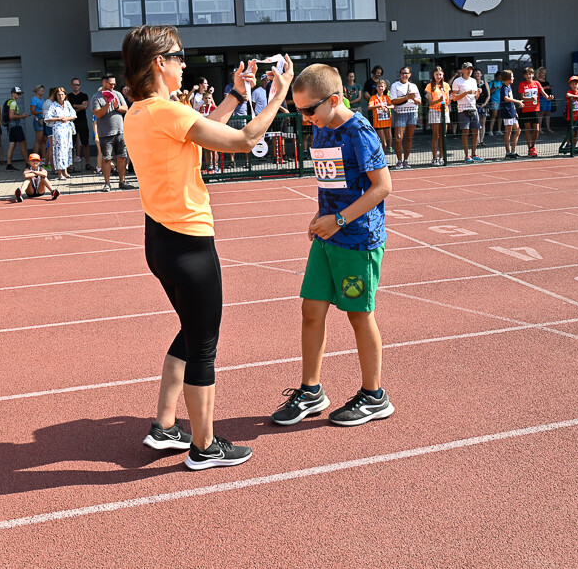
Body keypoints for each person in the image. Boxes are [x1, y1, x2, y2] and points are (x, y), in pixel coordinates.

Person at [120, 24, 293, 470]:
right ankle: (204, 446)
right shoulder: (167, 111)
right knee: (204, 345)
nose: (183, 62)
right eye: (178, 55)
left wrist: (236, 96)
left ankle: (163, 425)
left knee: (191, 331)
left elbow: (201, 134)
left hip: (159, 241)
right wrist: (278, 95)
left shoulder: (142, 113)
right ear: (159, 62)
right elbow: (243, 141)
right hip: (189, 243)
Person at [271, 63, 393, 428]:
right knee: (311, 310)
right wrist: (320, 216)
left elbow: (382, 186)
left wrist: (339, 220)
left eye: (309, 110)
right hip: (327, 239)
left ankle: (374, 396)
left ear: (334, 100)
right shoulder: (321, 130)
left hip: (357, 241)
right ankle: (311, 391)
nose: (305, 118)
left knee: (359, 315)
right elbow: (334, 183)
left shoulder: (360, 132)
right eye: (299, 111)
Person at [93, 73, 135, 192]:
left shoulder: (118, 94)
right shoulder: (96, 97)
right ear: (104, 83)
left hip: (120, 131)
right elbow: (98, 114)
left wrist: (117, 107)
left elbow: (126, 108)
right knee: (106, 159)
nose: (112, 86)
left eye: (114, 84)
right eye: (110, 83)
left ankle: (122, 181)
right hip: (105, 133)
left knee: (122, 157)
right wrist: (107, 104)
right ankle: (107, 184)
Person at [388, 66, 419, 170]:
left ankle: (406, 160)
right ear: (400, 74)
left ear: (410, 74)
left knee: (409, 138)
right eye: (402, 73)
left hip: (412, 112)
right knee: (398, 138)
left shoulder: (413, 86)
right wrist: (406, 97)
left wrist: (413, 99)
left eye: (406, 73)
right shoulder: (395, 85)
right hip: (400, 113)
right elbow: (394, 101)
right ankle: (399, 160)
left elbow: (420, 101)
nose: (404, 75)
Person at [516, 66, 551, 158]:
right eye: (527, 74)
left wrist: (548, 97)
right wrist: (530, 98)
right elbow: (522, 97)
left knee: (537, 129)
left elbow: (543, 93)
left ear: (533, 74)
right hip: (526, 109)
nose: (529, 76)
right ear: (524, 75)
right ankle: (529, 148)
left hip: (535, 108)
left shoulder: (537, 83)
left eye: (530, 74)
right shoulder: (522, 84)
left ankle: (533, 146)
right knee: (528, 128)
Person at [43, 86, 76, 181]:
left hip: (67, 129)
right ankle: (59, 173)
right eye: (58, 94)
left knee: (66, 150)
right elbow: (47, 118)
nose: (60, 96)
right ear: (56, 96)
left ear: (65, 95)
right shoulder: (53, 105)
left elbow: (73, 115)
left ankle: (65, 171)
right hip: (58, 129)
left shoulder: (67, 104)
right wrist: (59, 119)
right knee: (59, 150)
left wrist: (67, 118)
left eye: (62, 94)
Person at [450, 63, 481, 163]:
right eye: (467, 69)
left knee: (476, 131)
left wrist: (478, 93)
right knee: (465, 132)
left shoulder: (473, 81)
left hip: (473, 108)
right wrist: (466, 93)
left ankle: (474, 153)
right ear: (462, 70)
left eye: (471, 69)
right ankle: (467, 155)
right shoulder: (457, 81)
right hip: (463, 109)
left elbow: (476, 97)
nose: (469, 71)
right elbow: (454, 97)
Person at [493, 69, 523, 159]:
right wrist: (518, 101)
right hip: (507, 111)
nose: (513, 78)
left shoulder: (509, 86)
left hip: (512, 111)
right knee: (508, 131)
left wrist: (515, 110)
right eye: (512, 76)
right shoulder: (504, 87)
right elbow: (506, 98)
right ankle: (508, 152)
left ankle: (513, 151)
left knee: (517, 130)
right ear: (507, 78)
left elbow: (510, 98)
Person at [67, 78, 94, 173]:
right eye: (74, 84)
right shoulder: (67, 96)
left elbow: (85, 106)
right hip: (71, 123)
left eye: (77, 84)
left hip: (82, 121)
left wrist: (73, 106)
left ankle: (87, 163)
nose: (76, 86)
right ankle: (71, 166)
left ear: (80, 85)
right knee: (71, 144)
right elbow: (68, 109)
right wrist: (79, 107)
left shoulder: (84, 95)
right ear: (71, 85)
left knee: (85, 143)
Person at [425, 66, 449, 166]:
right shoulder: (430, 86)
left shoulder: (446, 85)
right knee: (436, 135)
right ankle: (434, 158)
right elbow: (430, 102)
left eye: (440, 74)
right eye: (436, 74)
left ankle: (442, 157)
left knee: (443, 135)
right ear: (433, 75)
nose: (438, 76)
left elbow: (447, 99)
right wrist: (439, 100)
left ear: (442, 74)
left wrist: (448, 99)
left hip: (445, 110)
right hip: (434, 110)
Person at [3, 87, 30, 169]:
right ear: (13, 93)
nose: (19, 95)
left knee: (12, 144)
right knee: (23, 144)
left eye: (20, 93)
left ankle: (8, 164)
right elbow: (11, 116)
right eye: (18, 93)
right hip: (15, 126)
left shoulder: (8, 101)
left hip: (10, 127)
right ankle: (27, 163)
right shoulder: (13, 103)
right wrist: (22, 116)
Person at [368, 78, 392, 153]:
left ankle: (388, 150)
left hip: (387, 121)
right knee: (383, 144)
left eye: (382, 86)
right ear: (376, 87)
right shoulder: (373, 97)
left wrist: (386, 107)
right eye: (379, 86)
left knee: (388, 141)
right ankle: (382, 159)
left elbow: (392, 106)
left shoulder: (386, 97)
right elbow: (369, 107)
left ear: (385, 88)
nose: (380, 88)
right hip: (378, 122)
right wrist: (378, 106)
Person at [29, 84, 49, 167]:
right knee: (38, 139)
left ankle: (44, 157)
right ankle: (35, 158)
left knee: (44, 139)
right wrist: (42, 113)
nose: (42, 92)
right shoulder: (34, 99)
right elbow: (32, 111)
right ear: (37, 91)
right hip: (38, 121)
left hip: (44, 120)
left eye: (43, 91)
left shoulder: (42, 99)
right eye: (41, 91)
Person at [473, 68, 490, 143]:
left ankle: (481, 140)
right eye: (475, 73)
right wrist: (475, 104)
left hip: (483, 105)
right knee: (477, 122)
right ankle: (477, 140)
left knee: (483, 122)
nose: (477, 75)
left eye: (478, 73)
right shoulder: (472, 84)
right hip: (475, 105)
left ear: (481, 74)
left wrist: (484, 104)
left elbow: (488, 95)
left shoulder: (485, 83)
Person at [537, 66, 554, 133]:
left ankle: (548, 128)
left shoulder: (546, 81)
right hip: (541, 98)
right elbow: (537, 90)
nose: (543, 75)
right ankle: (539, 128)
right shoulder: (537, 81)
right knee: (541, 113)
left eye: (544, 73)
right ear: (539, 73)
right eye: (542, 73)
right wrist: (545, 88)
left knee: (548, 113)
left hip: (548, 98)